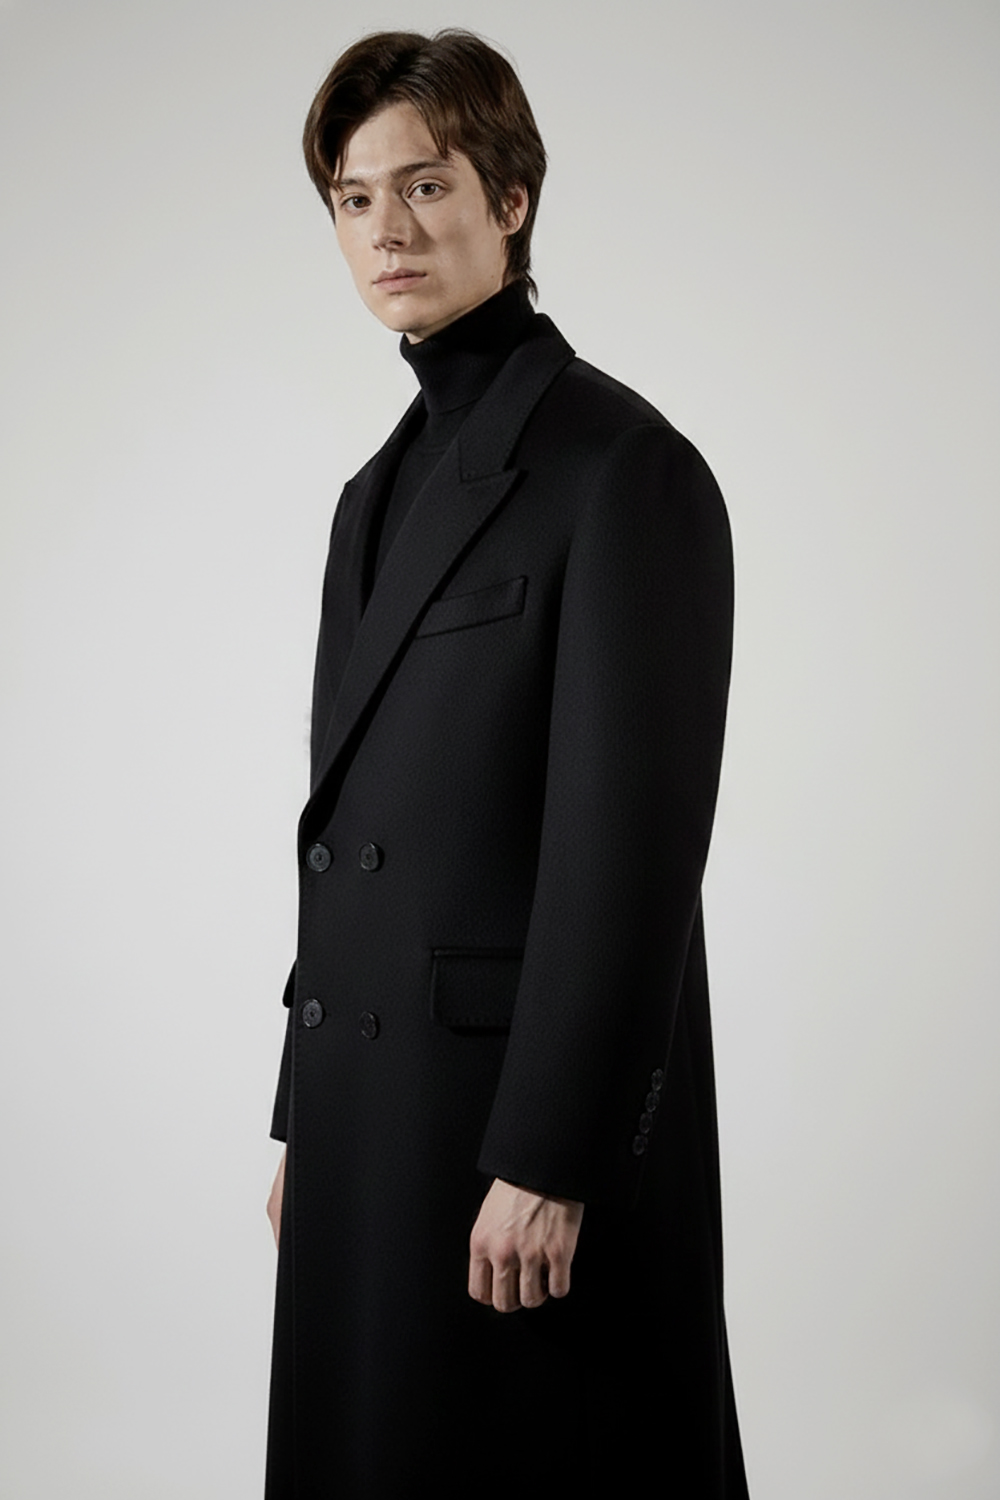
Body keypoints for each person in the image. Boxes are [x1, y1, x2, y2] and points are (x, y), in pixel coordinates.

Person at [264, 27, 749, 1498]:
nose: (388, 231)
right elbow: (342, 828)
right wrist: (303, 1114)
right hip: (369, 1115)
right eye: (354, 199)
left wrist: (554, 1153)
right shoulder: (369, 495)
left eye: (425, 185)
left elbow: (632, 853)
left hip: (510, 1136)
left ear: (512, 198)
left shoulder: (625, 469)